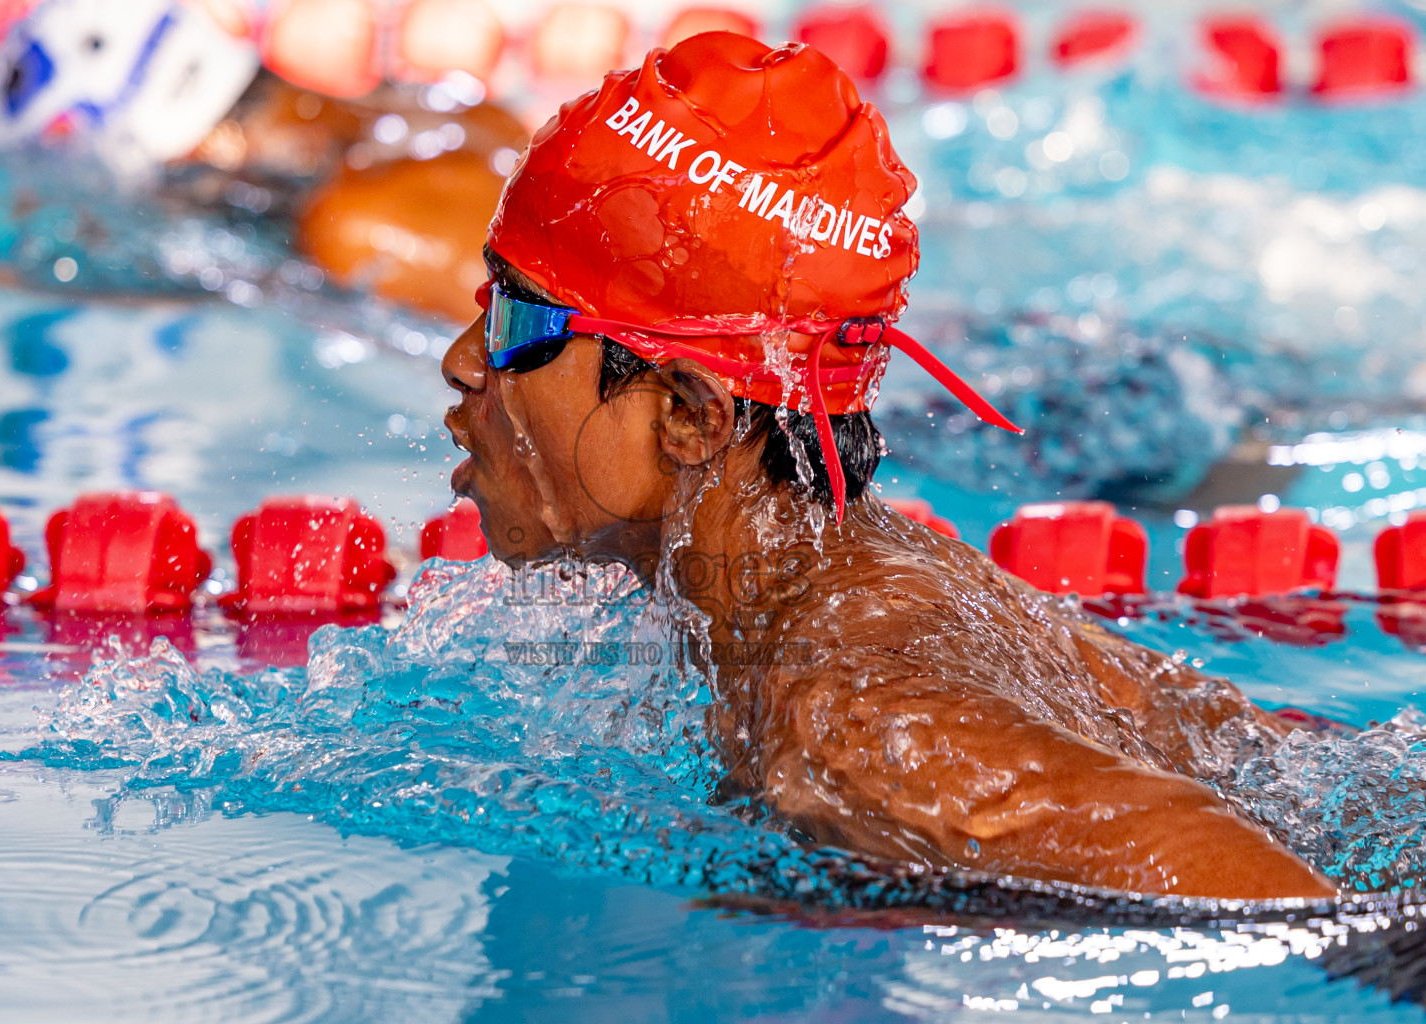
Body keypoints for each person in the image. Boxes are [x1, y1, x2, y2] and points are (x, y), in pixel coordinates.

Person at [440, 31, 1336, 900]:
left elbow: (1312, 918)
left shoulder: (850, 731)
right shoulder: (872, 581)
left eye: (518, 322)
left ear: (688, 415)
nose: (463, 360)